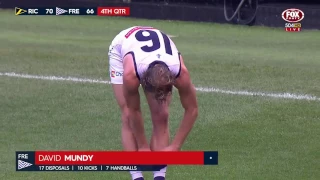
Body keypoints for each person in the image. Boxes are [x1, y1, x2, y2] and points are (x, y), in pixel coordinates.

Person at [108, 26, 198, 180]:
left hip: (154, 53)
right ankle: (136, 176)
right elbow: (134, 110)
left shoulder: (180, 72)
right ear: (144, 83)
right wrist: (143, 146)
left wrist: (176, 146)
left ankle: (159, 177)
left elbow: (192, 109)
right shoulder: (131, 74)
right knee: (127, 115)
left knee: (161, 114)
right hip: (122, 46)